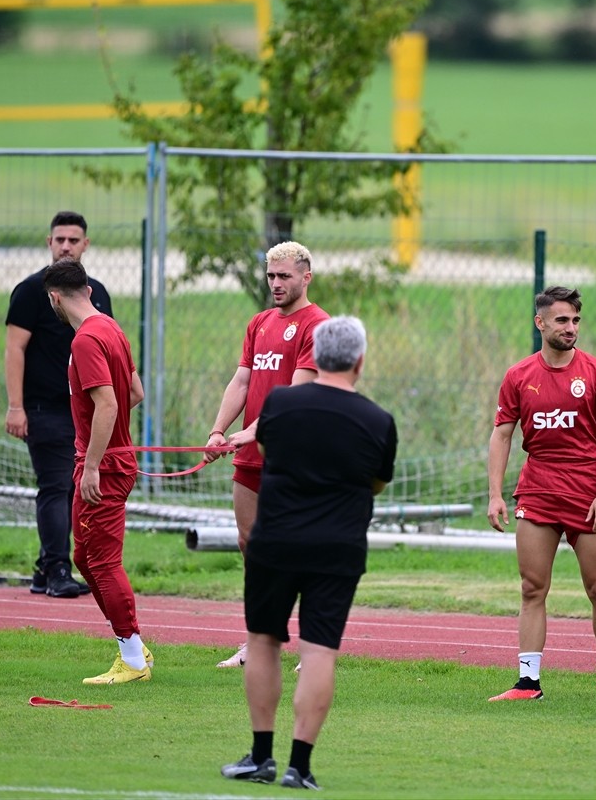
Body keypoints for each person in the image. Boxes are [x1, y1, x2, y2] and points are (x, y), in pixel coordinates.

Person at [221, 316, 397, 790]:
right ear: (360, 361)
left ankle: (261, 756)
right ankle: (300, 765)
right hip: (338, 546)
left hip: (276, 540)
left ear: (316, 356)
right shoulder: (379, 421)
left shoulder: (280, 403)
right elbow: (377, 481)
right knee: (320, 650)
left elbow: (271, 450)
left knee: (263, 641)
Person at [487, 286, 596, 701]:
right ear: (541, 323)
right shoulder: (518, 376)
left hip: (587, 494)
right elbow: (502, 435)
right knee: (532, 588)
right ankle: (528, 683)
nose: (571, 328)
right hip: (539, 492)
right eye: (562, 320)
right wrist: (495, 494)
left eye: (576, 320)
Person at [205, 241, 329, 669]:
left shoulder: (318, 326)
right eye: (271, 276)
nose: (276, 284)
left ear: (306, 277)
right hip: (250, 455)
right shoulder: (258, 323)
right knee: (251, 546)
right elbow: (241, 382)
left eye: (285, 277)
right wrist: (220, 430)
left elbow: (299, 393)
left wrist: (254, 430)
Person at [43, 258, 151, 684]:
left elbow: (109, 403)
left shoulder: (86, 340)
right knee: (84, 558)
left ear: (55, 297)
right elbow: (135, 393)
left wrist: (91, 464)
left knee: (102, 562)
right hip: (111, 459)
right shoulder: (111, 327)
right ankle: (133, 647)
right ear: (87, 289)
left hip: (102, 467)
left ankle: (133, 660)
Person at [5, 211, 112, 598]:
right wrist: (16, 406)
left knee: (70, 488)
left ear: (86, 244)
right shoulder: (30, 290)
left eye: (74, 239)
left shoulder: (95, 292)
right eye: (60, 239)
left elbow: (109, 348)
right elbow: (15, 349)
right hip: (44, 408)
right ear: (48, 242)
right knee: (55, 486)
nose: (66, 245)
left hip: (83, 411)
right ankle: (57, 570)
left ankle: (43, 568)